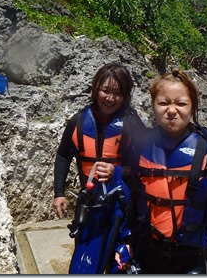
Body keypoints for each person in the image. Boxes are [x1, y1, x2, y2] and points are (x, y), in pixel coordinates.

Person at [117, 70, 207, 274]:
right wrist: (125, 242)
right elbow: (133, 200)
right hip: (146, 253)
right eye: (164, 103)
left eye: (181, 103)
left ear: (192, 107)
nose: (172, 110)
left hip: (192, 259)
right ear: (153, 106)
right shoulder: (139, 146)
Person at [52, 62, 146, 274]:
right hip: (90, 203)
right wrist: (59, 193)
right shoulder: (78, 121)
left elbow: (146, 165)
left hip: (122, 207)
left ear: (126, 95)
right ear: (96, 89)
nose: (110, 98)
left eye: (117, 93)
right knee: (84, 262)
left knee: (120, 262)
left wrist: (118, 172)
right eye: (105, 90)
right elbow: (63, 155)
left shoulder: (132, 123)